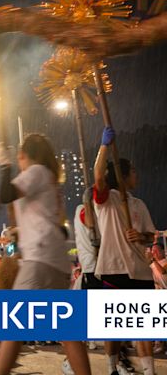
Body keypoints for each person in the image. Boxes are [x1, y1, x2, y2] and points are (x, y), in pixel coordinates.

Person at [0, 134, 91, 375]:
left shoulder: (35, 172)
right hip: (57, 263)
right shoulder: (49, 180)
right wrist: (21, 232)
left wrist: (4, 167)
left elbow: (5, 194)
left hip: (39, 261)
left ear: (25, 156)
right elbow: (54, 225)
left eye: (19, 158)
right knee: (67, 332)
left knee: (12, 328)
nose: (19, 162)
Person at [93, 127, 156, 375]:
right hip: (113, 269)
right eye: (133, 171)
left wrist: (141, 236)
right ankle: (111, 368)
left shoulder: (139, 204)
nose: (136, 175)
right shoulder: (106, 200)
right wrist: (104, 146)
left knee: (144, 327)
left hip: (141, 272)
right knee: (114, 328)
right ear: (123, 175)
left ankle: (149, 371)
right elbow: (98, 175)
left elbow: (151, 235)